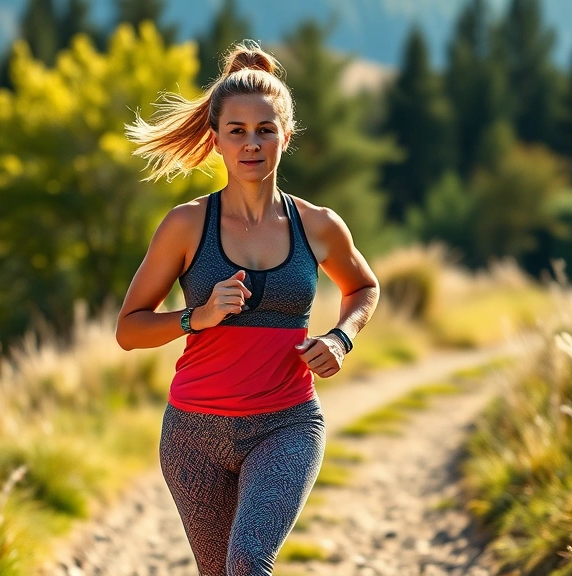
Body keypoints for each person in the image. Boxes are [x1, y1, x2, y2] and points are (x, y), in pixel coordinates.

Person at [116, 40, 380, 576]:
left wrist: (341, 337)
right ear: (215, 141)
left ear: (286, 135)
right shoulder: (187, 225)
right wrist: (197, 316)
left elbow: (364, 288)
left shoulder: (319, 225)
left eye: (265, 130)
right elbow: (129, 329)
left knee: (247, 563)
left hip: (287, 424)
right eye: (236, 131)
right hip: (194, 433)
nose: (252, 144)